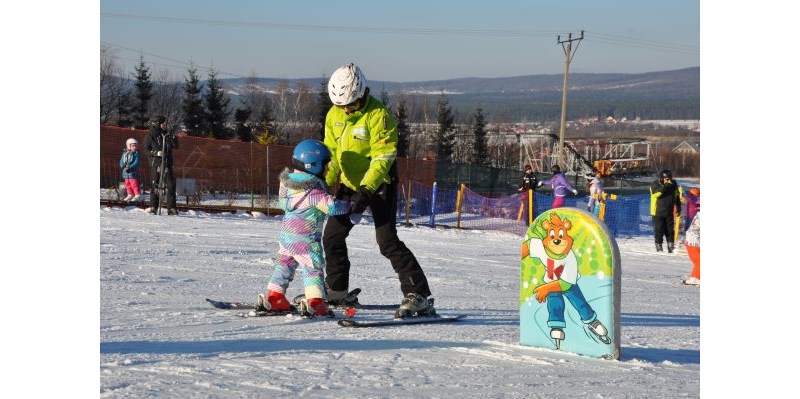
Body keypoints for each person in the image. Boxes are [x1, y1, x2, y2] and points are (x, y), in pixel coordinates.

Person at [321, 62, 434, 318]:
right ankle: (337, 291)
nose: (346, 109)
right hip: (350, 185)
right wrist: (325, 182)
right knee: (332, 237)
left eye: (350, 104)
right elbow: (333, 154)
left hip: (380, 184)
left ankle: (419, 295)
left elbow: (383, 157)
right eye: (341, 105)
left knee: (387, 242)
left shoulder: (379, 116)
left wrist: (367, 189)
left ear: (361, 94)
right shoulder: (333, 115)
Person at [258, 139, 353, 316]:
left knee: (284, 266)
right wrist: (349, 205)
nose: (328, 169)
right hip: (306, 239)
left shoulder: (286, 186)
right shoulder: (313, 191)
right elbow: (331, 207)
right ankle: (316, 302)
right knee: (313, 268)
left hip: (287, 237)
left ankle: (274, 296)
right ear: (314, 165)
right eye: (326, 165)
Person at [145, 115, 179, 215]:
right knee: (155, 184)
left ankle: (171, 208)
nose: (165, 125)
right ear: (157, 124)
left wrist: (173, 137)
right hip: (156, 163)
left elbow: (176, 146)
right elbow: (146, 150)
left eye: (165, 123)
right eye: (163, 123)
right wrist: (156, 153)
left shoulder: (167, 134)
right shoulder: (150, 135)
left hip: (167, 163)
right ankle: (153, 207)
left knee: (171, 185)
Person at [650, 169, 681, 253]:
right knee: (659, 230)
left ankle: (671, 247)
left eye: (669, 178)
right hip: (657, 212)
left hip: (669, 211)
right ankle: (659, 247)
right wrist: (665, 186)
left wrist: (678, 206)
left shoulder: (673, 184)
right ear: (661, 178)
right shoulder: (655, 184)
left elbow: (676, 195)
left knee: (670, 231)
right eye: (666, 179)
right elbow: (655, 194)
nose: (669, 180)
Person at [682, 202, 700, 285]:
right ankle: (696, 278)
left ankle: (695, 276)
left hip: (692, 242)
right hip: (693, 242)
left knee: (698, 261)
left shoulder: (698, 215)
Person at [120, 138, 142, 202]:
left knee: (134, 184)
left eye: (135, 146)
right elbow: (121, 161)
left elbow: (136, 162)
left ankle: (137, 194)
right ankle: (130, 194)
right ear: (128, 146)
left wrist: (130, 167)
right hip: (125, 172)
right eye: (133, 146)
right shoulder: (124, 154)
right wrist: (123, 166)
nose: (134, 147)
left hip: (132, 172)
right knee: (127, 184)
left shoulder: (136, 154)